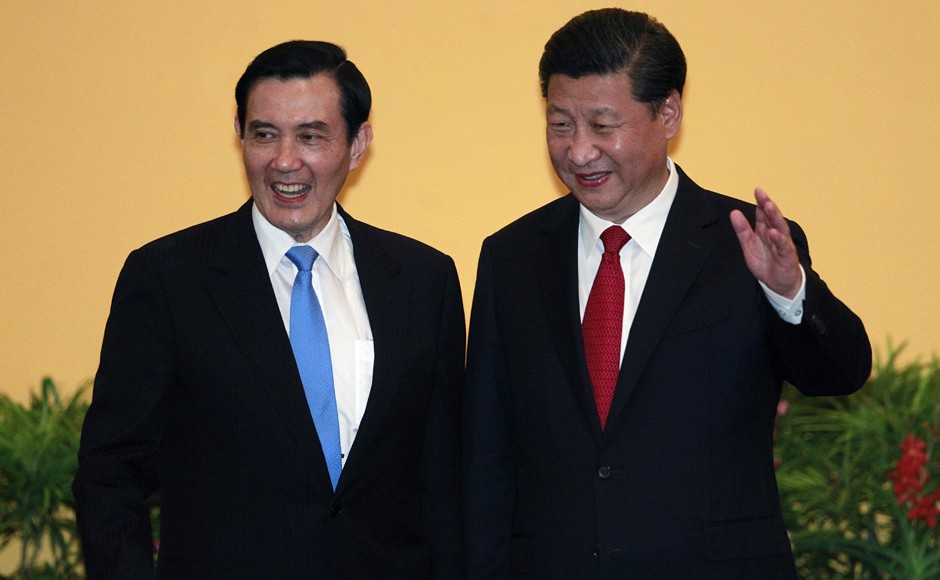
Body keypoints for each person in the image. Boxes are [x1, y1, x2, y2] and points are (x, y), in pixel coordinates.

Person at [463, 9, 871, 579]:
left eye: (603, 126)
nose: (579, 152)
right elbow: (487, 456)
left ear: (669, 112)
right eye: (561, 125)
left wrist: (789, 292)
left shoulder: (745, 242)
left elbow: (841, 373)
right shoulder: (512, 257)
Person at [73, 40, 464, 579]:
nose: (284, 160)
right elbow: (110, 473)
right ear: (240, 135)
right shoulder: (167, 278)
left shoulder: (424, 280)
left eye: (310, 136)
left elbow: (443, 480)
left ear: (357, 144)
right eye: (263, 134)